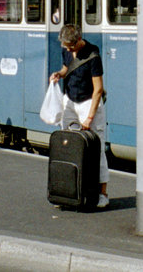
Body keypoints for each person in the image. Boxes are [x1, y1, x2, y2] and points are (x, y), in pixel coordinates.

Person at [48, 23, 109, 209]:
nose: (67, 49)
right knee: (67, 146)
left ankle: (102, 193)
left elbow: (98, 89)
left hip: (88, 103)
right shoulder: (67, 51)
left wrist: (89, 118)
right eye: (65, 46)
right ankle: (69, 190)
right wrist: (59, 74)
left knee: (96, 148)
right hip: (70, 101)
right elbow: (67, 67)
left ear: (78, 41)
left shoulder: (93, 56)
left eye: (70, 46)